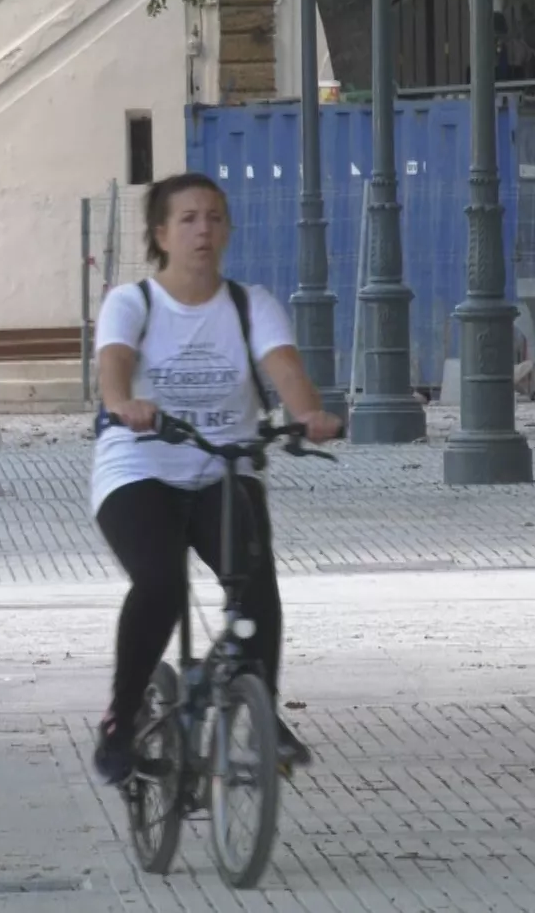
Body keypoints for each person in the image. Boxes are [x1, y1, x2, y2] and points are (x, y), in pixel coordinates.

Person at [89, 172, 343, 786]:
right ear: (161, 234)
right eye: (188, 219)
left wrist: (307, 414)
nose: (204, 229)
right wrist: (124, 402)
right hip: (141, 468)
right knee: (160, 585)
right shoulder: (135, 303)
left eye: (215, 217)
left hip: (224, 466)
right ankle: (121, 722)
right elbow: (114, 363)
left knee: (255, 582)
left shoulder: (249, 304)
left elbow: (284, 368)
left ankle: (263, 706)